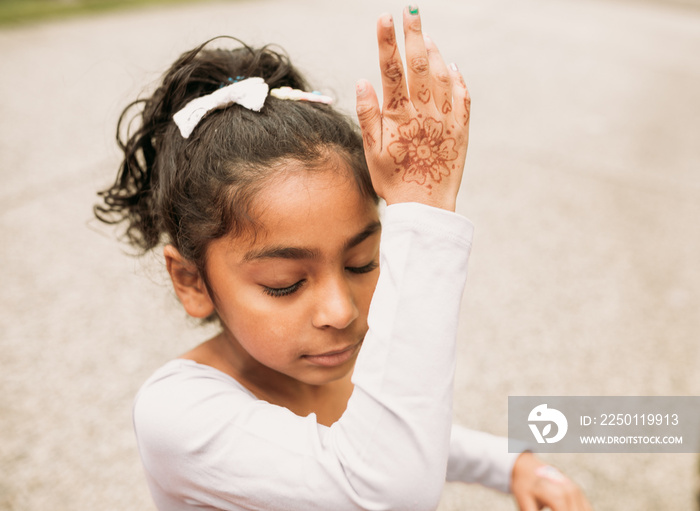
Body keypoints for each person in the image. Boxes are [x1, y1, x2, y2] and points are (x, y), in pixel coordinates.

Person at [96, 6, 592, 511]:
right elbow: (389, 486)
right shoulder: (178, 414)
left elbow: (406, 430)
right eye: (285, 283)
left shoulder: (327, 368)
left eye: (362, 263)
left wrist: (512, 463)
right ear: (191, 281)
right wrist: (424, 217)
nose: (342, 312)